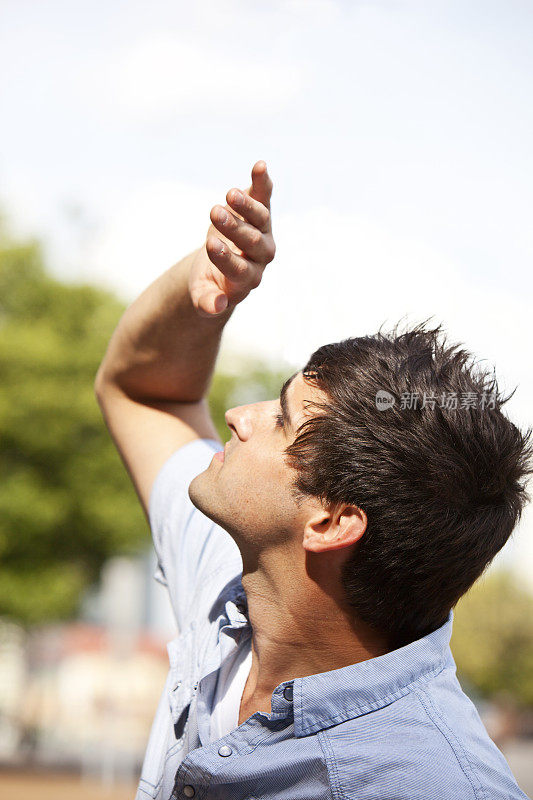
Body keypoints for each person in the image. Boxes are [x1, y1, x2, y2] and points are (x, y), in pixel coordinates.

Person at [95, 161, 532, 800]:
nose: (238, 417)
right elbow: (146, 392)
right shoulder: (238, 590)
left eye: (282, 417)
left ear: (330, 522)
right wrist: (205, 290)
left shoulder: (437, 784)